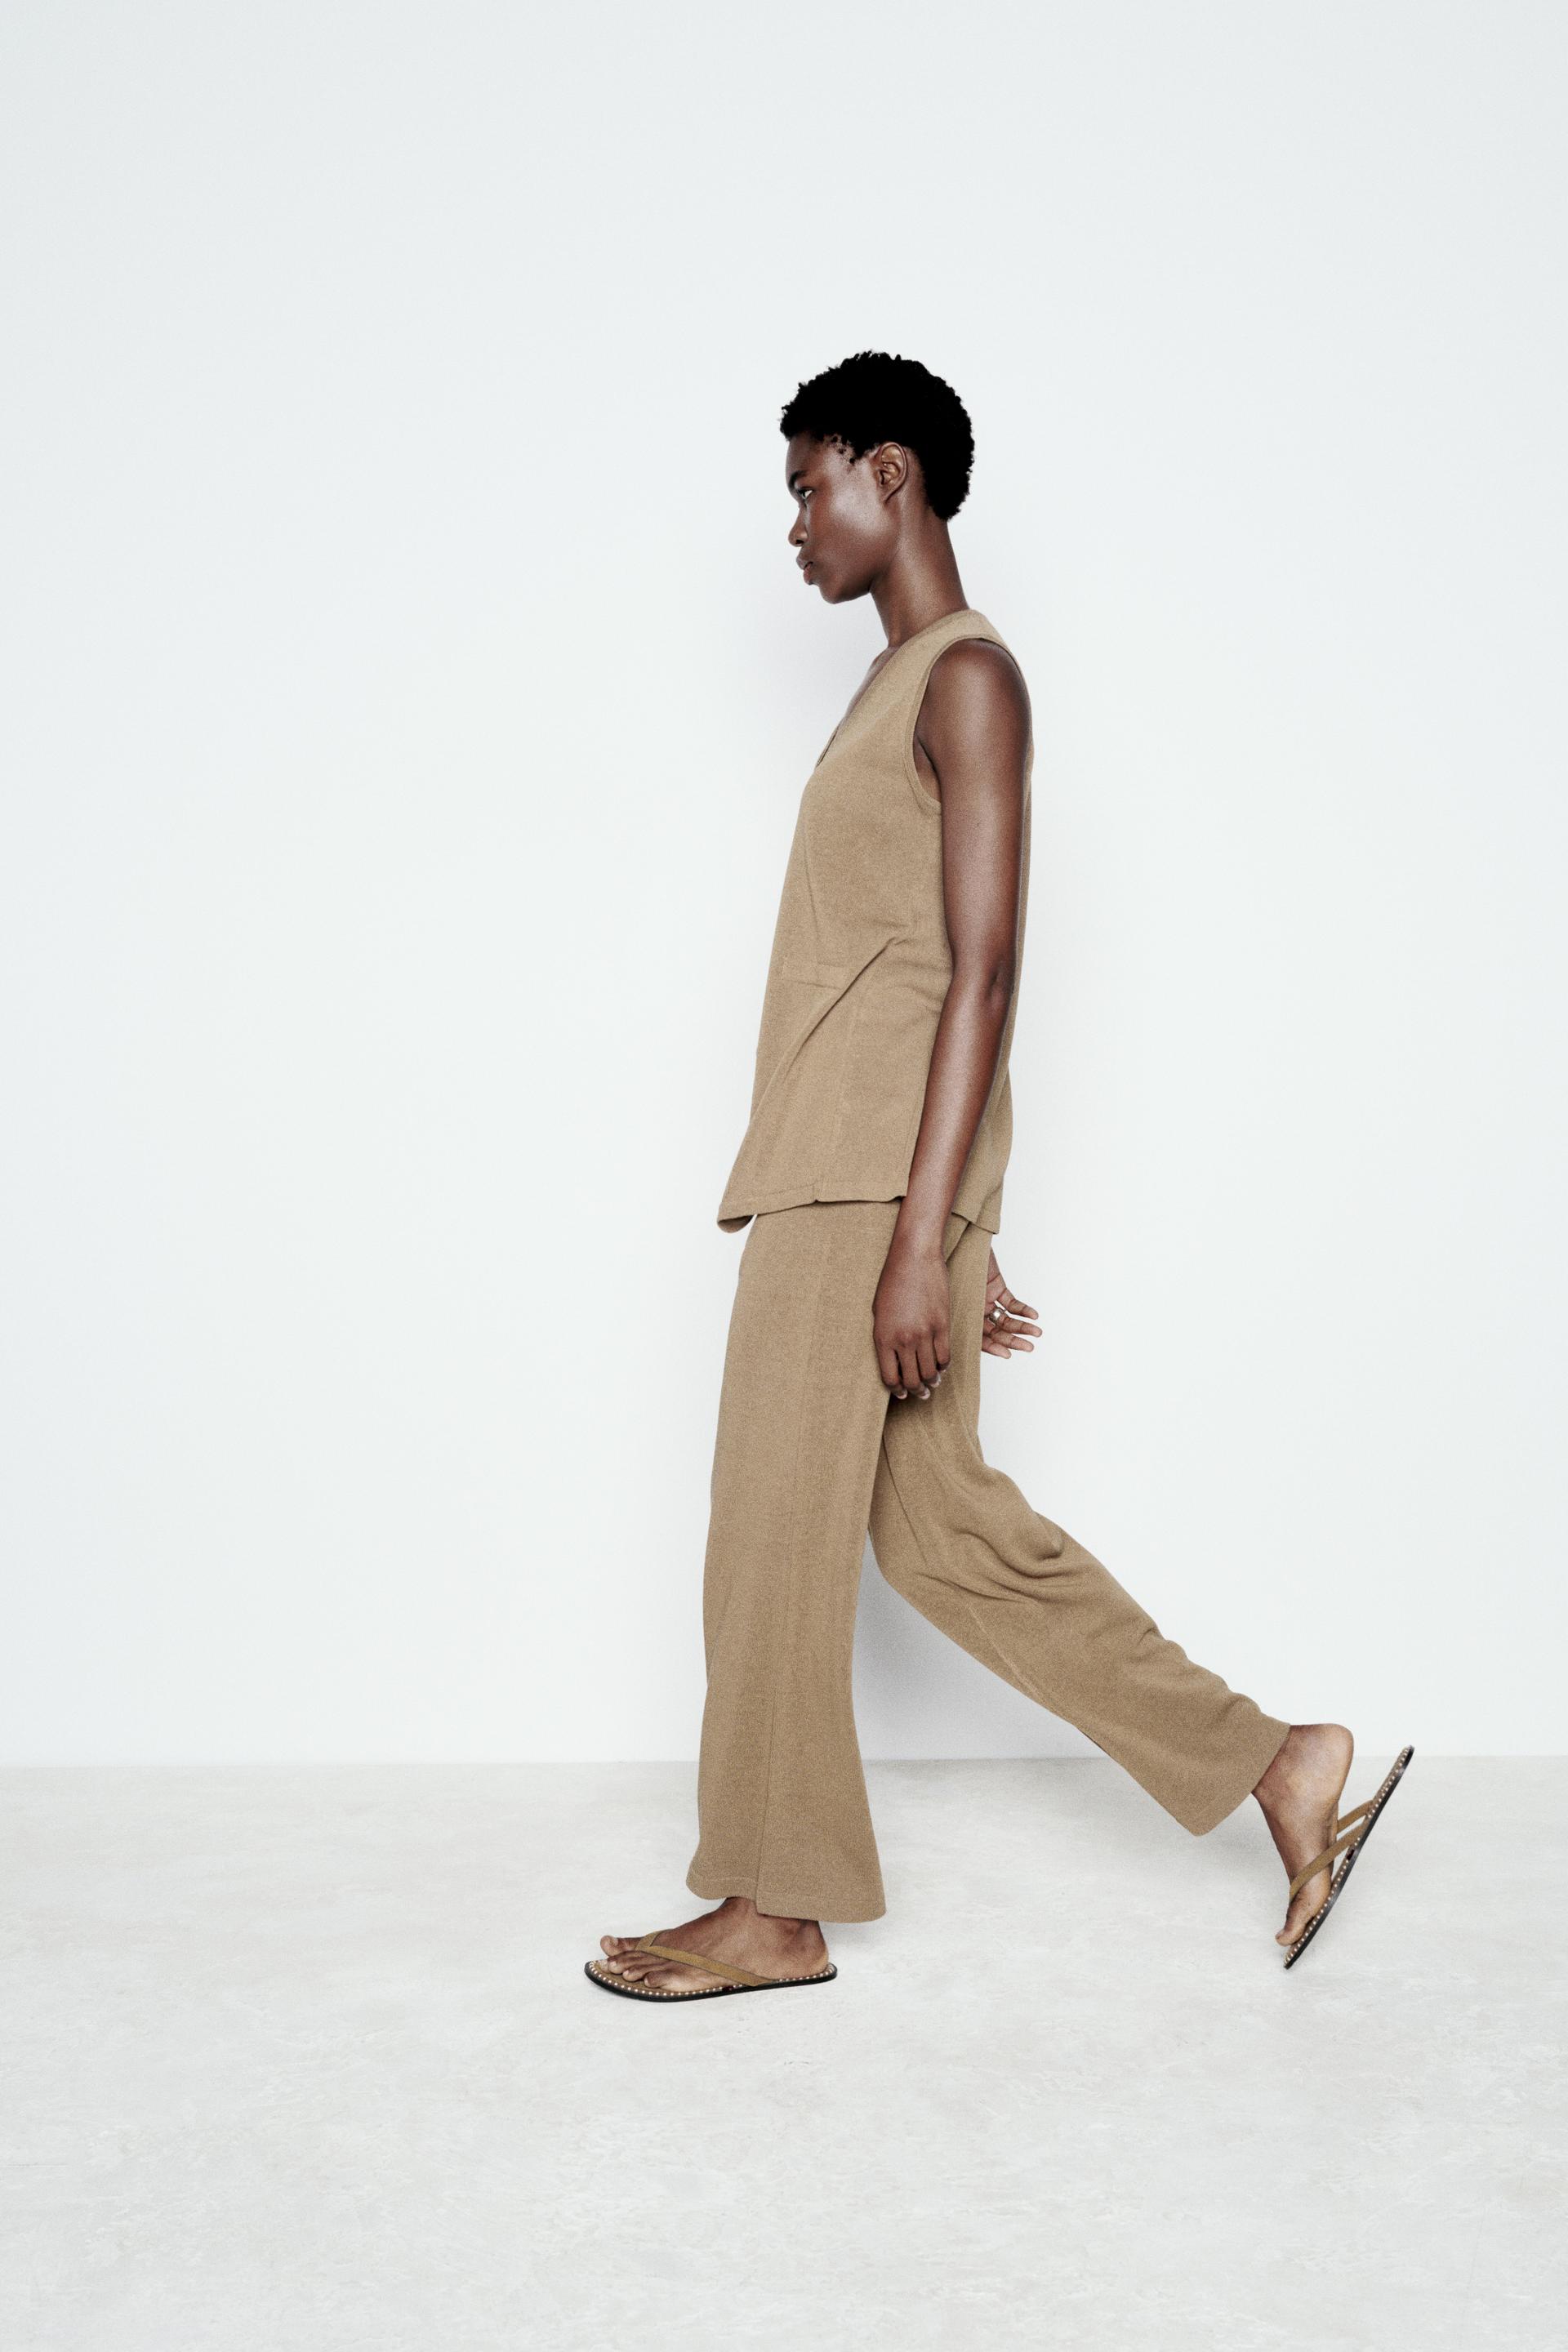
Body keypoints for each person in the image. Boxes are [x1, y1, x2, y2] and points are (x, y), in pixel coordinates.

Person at [586, 351, 1410, 2001]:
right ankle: (1275, 1763)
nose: (795, 527)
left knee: (768, 1535)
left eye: (810, 486)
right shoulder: (894, 687)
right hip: (874, 1180)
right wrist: (959, 1227)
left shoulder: (967, 676)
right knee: (948, 1536)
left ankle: (773, 1906)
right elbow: (906, 970)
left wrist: (921, 1242)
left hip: (854, 1196)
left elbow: (983, 971)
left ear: (889, 473)